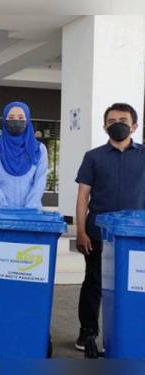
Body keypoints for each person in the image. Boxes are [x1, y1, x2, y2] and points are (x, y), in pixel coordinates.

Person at [74, 103, 145, 351]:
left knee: (135, 283)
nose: (117, 124)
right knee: (94, 282)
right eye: (112, 121)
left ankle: (134, 331)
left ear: (134, 125)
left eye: (123, 120)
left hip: (135, 235)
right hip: (98, 233)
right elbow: (83, 195)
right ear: (104, 126)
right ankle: (88, 333)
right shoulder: (93, 157)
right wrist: (80, 231)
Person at [0, 101, 48, 208]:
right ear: (5, 120)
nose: (16, 121)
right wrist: (5, 210)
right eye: (11, 117)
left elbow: (40, 183)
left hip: (30, 214)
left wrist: (28, 209)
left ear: (27, 119)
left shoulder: (39, 149)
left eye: (21, 117)